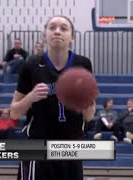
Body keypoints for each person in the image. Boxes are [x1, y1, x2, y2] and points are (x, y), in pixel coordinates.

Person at [10, 16, 96, 180]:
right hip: (38, 148)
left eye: (64, 28)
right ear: (45, 35)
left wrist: (86, 99)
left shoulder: (83, 64)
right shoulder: (31, 65)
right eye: (52, 27)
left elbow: (89, 116)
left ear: (72, 37)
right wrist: (30, 97)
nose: (57, 31)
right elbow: (14, 113)